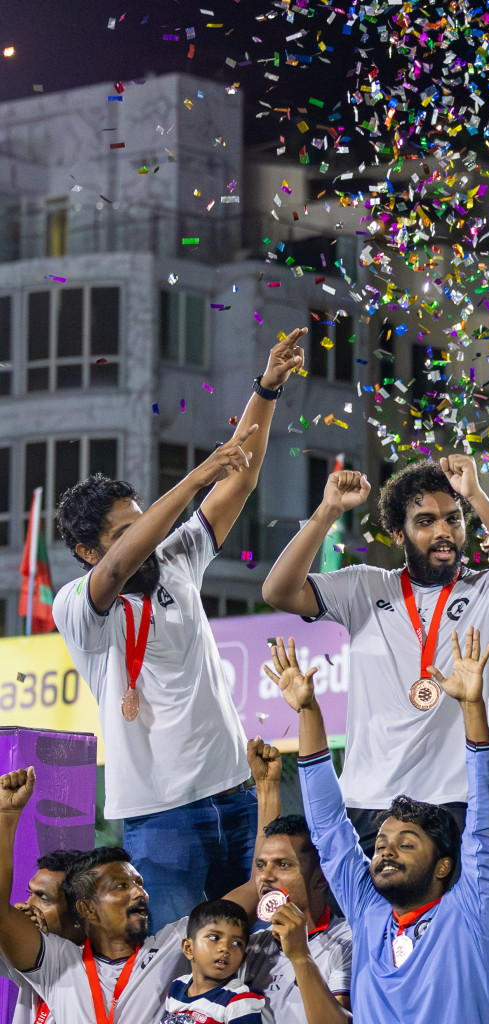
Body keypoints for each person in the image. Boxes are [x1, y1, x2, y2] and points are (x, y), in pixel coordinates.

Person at [53, 329, 305, 927]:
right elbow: (119, 567)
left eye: (145, 527)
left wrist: (266, 388)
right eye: (126, 533)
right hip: (161, 820)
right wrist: (192, 481)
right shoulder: (79, 606)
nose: (147, 541)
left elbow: (239, 478)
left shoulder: (176, 559)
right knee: (174, 970)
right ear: (88, 551)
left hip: (237, 799)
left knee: (256, 954)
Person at [262, 458, 489, 853]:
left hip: (455, 803)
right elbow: (277, 592)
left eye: (453, 519)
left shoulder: (488, 589)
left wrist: (476, 496)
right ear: (399, 533)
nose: (443, 532)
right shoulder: (363, 586)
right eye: (426, 521)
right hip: (368, 804)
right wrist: (327, 510)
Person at [268, 629, 489, 1024]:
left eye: (406, 844)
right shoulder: (369, 912)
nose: (385, 852)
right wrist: (308, 711)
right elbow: (329, 829)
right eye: (380, 844)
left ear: (443, 866)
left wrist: (471, 707)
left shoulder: (472, 912)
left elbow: (483, 824)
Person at [0, 742, 282, 1023]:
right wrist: (7, 817)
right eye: (121, 886)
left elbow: (259, 883)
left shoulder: (173, 945)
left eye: (139, 882)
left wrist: (268, 788)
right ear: (86, 908)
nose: (141, 893)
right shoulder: (58, 961)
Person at [240, 815, 353, 1024]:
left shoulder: (349, 943)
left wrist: (301, 957)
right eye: (261, 865)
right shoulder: (252, 946)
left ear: (320, 880)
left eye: (283, 865)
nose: (266, 876)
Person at [2, 849, 84, 1024]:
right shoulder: (30, 951)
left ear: (79, 916)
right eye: (30, 893)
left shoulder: (97, 972)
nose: (28, 905)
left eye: (43, 898)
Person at [160, 899, 265, 1024]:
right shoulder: (177, 986)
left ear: (243, 958)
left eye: (237, 943)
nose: (225, 948)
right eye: (214, 937)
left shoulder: (240, 1001)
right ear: (188, 948)